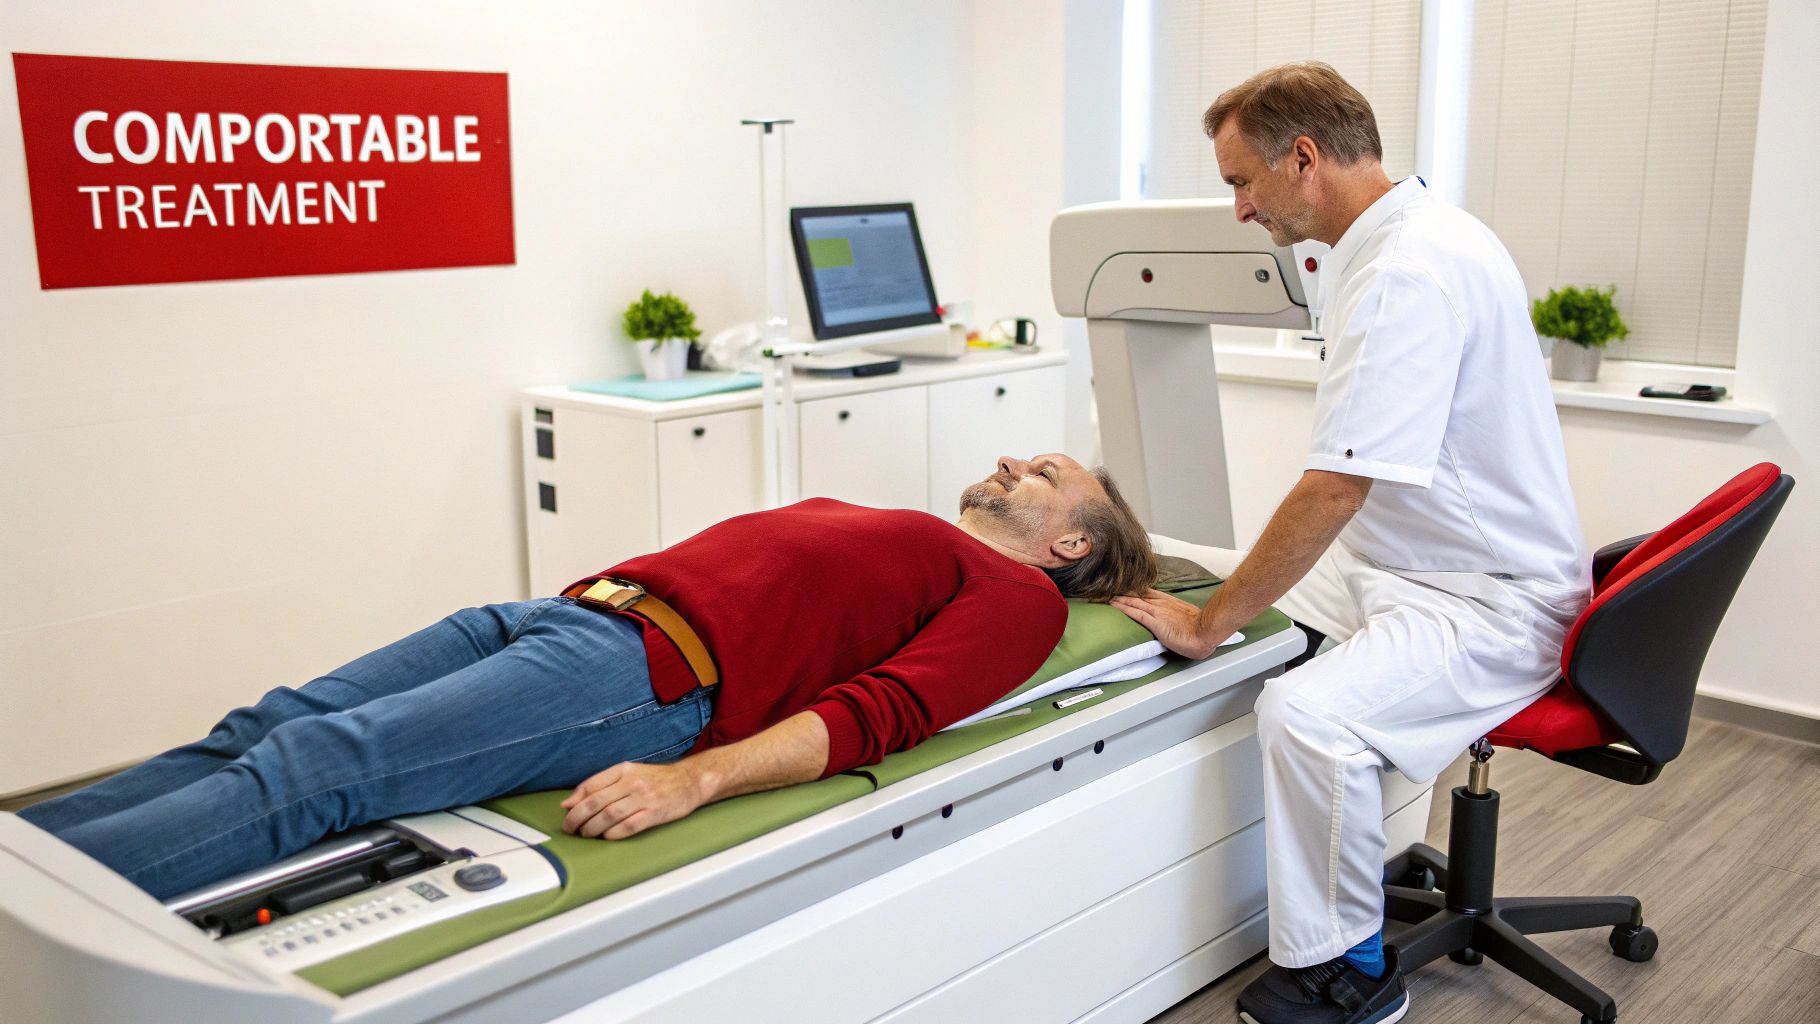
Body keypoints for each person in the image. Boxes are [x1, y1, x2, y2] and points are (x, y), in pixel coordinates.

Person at [22, 453, 1157, 903]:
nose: (1014, 460)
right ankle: (31, 855)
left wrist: (698, 780)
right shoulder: (922, 528)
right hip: (557, 617)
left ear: (1071, 547)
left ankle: (35, 914)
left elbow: (877, 716)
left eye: (1048, 474)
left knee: (321, 767)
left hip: (643, 676)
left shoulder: (1013, 600)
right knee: (264, 725)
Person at [1111, 63, 1590, 1024]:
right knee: (1272, 621)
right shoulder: (1417, 237)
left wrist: (1209, 621)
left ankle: (1350, 975)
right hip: (1417, 560)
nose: (1240, 208)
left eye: (1243, 181)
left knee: (1306, 713)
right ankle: (1321, 859)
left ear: (1303, 157)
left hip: (1485, 598)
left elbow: (1337, 485)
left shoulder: (1403, 272)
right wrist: (1233, 602)